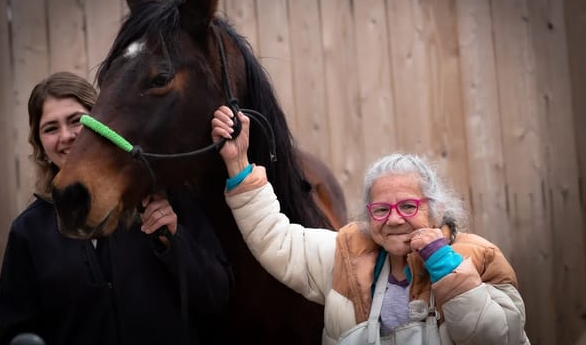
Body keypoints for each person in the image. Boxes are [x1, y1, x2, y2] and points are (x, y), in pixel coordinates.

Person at [211, 105, 529, 345]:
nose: (393, 219)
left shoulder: (479, 255)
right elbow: (276, 239)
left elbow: (499, 337)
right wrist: (237, 163)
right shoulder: (346, 254)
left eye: (407, 206)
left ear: (436, 208)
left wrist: (447, 267)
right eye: (380, 209)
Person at [0, 72, 234, 345]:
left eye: (77, 121)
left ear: (103, 124)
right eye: (50, 128)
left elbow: (217, 295)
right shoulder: (28, 232)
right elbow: (16, 332)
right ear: (39, 144)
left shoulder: (165, 199)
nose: (67, 136)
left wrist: (175, 239)